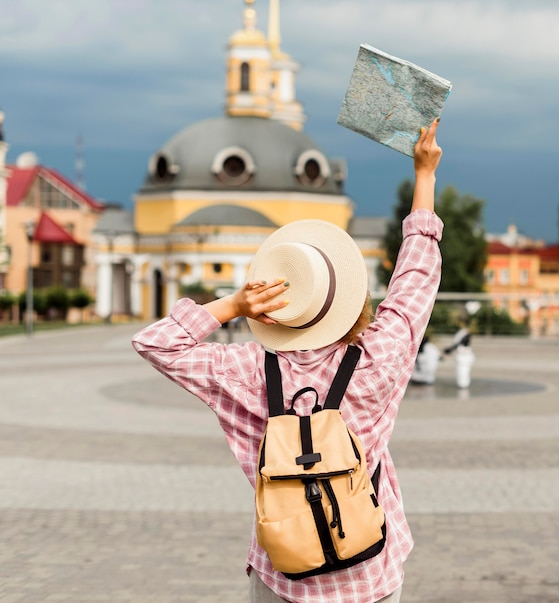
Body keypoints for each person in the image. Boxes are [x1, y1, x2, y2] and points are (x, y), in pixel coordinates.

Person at [131, 118, 443, 603]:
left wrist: (233, 304)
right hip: (369, 576)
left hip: (283, 576)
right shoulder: (379, 359)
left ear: (270, 314)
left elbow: (157, 342)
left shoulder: (246, 372)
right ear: (347, 301)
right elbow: (415, 276)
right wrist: (424, 174)